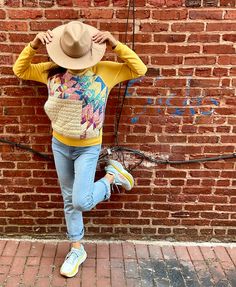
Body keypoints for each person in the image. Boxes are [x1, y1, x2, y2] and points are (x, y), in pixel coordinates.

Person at [13, 20, 147, 278]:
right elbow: (20, 70)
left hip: (88, 147)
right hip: (60, 144)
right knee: (68, 199)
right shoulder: (50, 72)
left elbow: (139, 68)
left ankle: (111, 177)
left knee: (81, 201)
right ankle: (77, 248)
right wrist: (34, 45)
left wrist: (115, 43)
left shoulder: (106, 70)